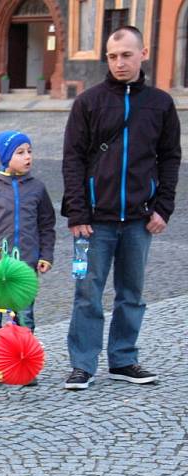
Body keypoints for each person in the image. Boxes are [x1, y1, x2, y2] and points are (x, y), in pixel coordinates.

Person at [61, 26, 181, 390]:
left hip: (140, 220)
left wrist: (164, 207)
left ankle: (124, 359)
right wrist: (78, 212)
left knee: (132, 293)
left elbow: (170, 158)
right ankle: (83, 364)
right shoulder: (89, 102)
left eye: (126, 55)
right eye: (112, 56)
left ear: (143, 53)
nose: (119, 63)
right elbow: (73, 160)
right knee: (87, 294)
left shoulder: (160, 103)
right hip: (95, 222)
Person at [0, 130, 56, 389]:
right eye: (20, 152)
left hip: (26, 267)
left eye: (29, 151)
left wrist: (46, 255)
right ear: (6, 157)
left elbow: (47, 225)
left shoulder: (38, 188)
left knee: (25, 318)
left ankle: (23, 366)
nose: (27, 157)